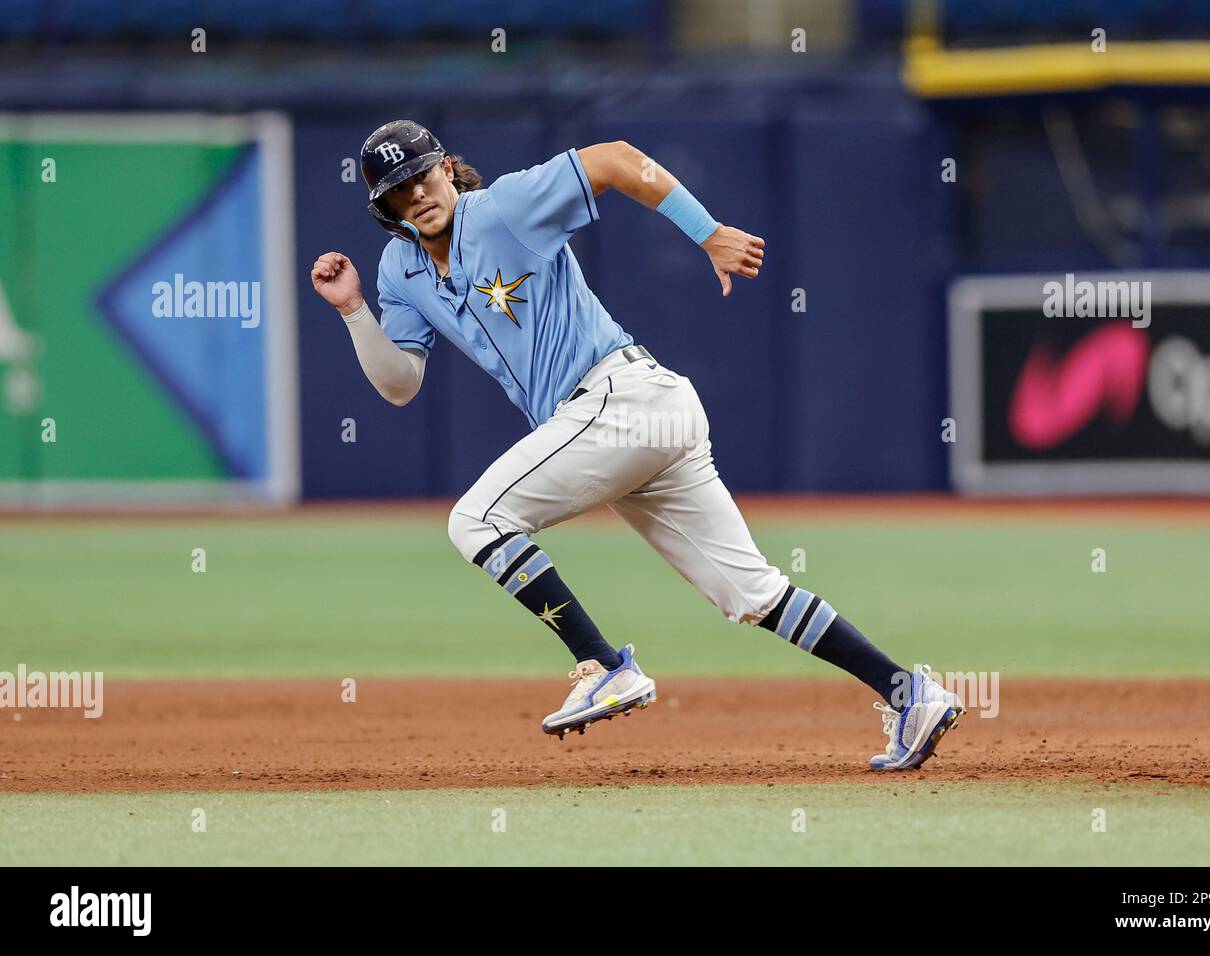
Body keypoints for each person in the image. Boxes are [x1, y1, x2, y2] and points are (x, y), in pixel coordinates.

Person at [309, 120, 964, 770]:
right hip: (633, 420)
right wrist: (353, 310)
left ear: (447, 168)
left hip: (619, 399)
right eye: (396, 191)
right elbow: (399, 385)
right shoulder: (400, 268)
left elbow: (617, 160)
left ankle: (603, 664)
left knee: (475, 520)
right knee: (751, 595)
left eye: (421, 176)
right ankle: (910, 694)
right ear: (384, 207)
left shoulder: (503, 209)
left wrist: (707, 233)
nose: (415, 195)